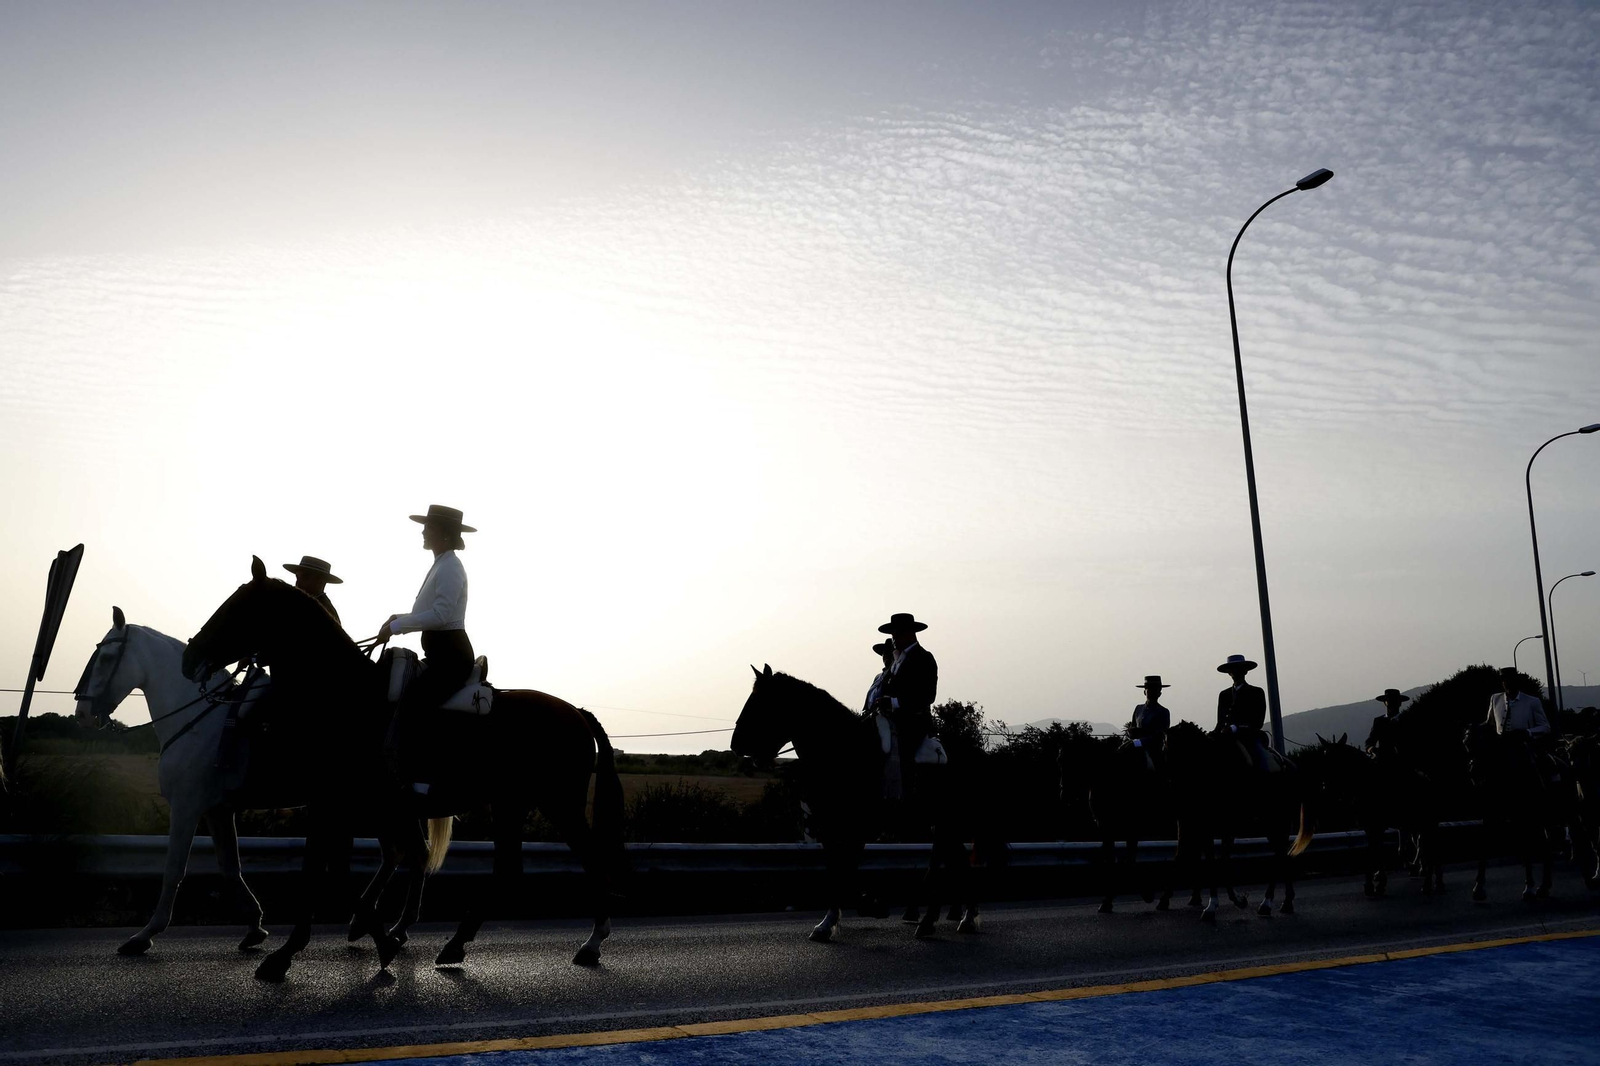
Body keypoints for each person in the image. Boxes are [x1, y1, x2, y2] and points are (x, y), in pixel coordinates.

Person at [378, 505, 477, 791]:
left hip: (451, 657)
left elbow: (440, 616)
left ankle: (422, 780)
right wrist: (397, 618)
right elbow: (427, 613)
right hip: (439, 654)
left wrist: (396, 627)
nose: (423, 532)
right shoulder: (442, 563)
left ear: (444, 534)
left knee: (415, 704)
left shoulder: (451, 567)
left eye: (428, 527)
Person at [874, 613, 938, 784]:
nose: (894, 638)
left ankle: (903, 790)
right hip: (891, 719)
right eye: (893, 634)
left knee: (903, 759)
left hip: (913, 723)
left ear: (910, 634)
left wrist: (893, 702)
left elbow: (927, 695)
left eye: (898, 633)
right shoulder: (897, 660)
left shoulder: (924, 658)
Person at [1215, 653, 1270, 772]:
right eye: (1232, 669)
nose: (1235, 672)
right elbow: (1220, 722)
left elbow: (1257, 722)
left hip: (1249, 738)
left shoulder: (1256, 692)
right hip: (1225, 739)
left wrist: (1234, 728)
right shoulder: (1224, 695)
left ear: (1245, 671)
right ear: (1229, 673)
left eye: (1239, 669)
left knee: (1262, 762)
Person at [283, 555, 343, 626]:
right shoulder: (296, 602)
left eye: (305, 577)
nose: (297, 582)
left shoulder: (325, 613)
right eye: (297, 577)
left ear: (320, 582)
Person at [1364, 689, 1410, 759]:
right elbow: (1370, 741)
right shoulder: (1379, 721)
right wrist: (1371, 749)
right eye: (1389, 701)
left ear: (1399, 703)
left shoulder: (1406, 720)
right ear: (1385, 703)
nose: (1392, 703)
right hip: (1382, 759)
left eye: (1394, 700)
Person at [863, 639, 895, 713]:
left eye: (889, 654)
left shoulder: (895, 674)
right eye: (884, 654)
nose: (886, 657)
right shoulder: (878, 677)